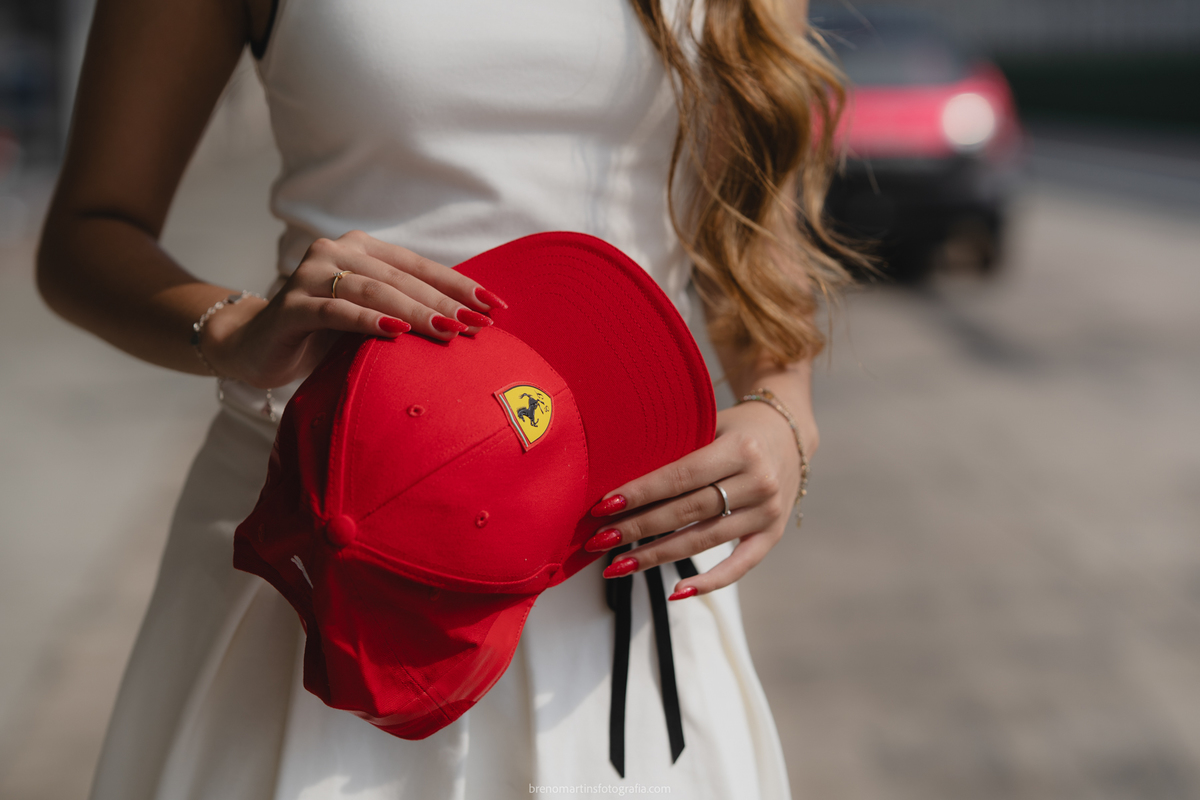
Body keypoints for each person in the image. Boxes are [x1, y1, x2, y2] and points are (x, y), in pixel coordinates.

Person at [36, 0, 860, 797]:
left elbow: (756, 242)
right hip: (315, 552)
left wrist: (785, 414)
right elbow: (89, 231)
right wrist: (234, 330)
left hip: (616, 555)